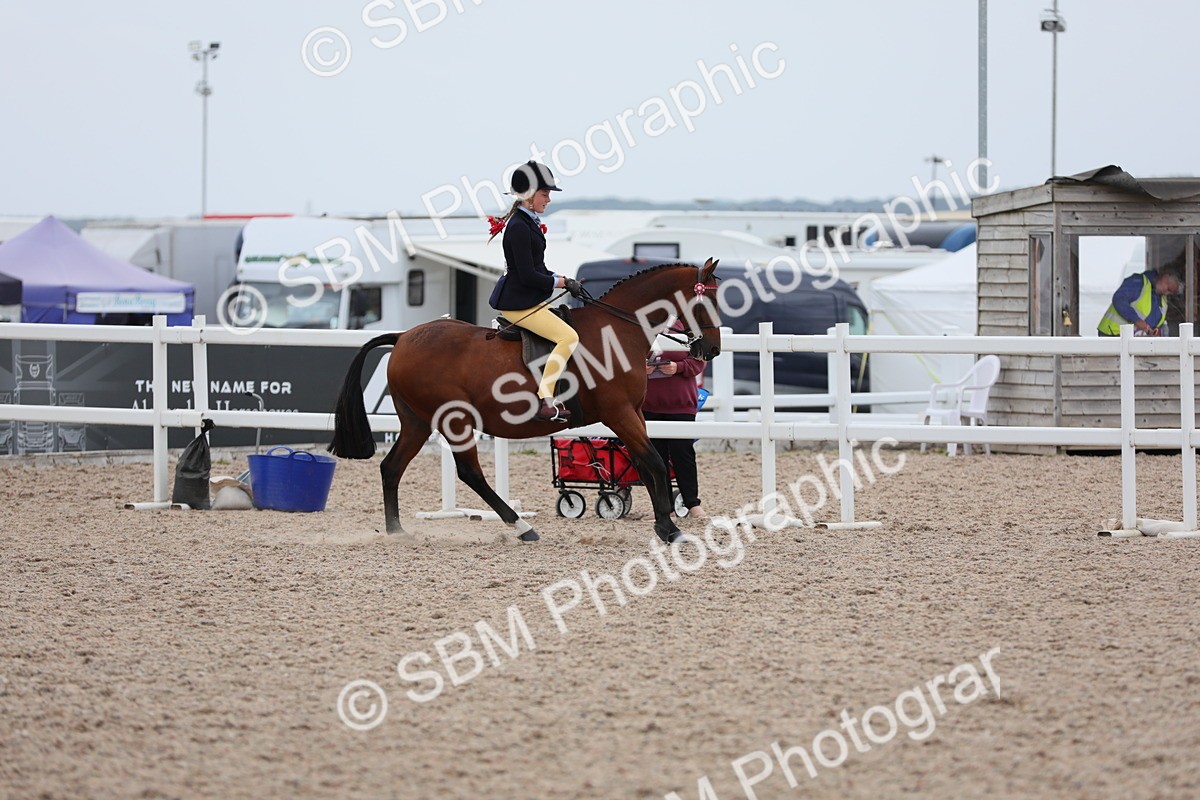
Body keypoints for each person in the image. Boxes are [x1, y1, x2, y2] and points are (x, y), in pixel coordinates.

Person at [487, 161, 583, 421]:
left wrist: (560, 277)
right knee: (568, 338)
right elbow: (528, 275)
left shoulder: (527, 222)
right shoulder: (518, 226)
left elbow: (537, 267)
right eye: (545, 194)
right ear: (529, 195)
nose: (548, 199)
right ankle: (546, 400)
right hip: (519, 303)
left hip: (527, 298)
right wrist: (560, 283)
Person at [644, 321, 707, 519]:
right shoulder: (643, 321)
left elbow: (699, 360)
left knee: (683, 453)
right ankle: (663, 508)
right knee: (655, 458)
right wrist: (640, 366)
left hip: (681, 403)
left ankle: (692, 503)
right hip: (649, 403)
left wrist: (678, 367)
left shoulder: (688, 325)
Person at [1098, 266, 1181, 336]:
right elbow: (1119, 299)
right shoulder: (1138, 282)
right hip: (1112, 334)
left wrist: (1155, 331)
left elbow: (1157, 324)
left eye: (1170, 293)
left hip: (1134, 341)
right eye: (1168, 289)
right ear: (1165, 277)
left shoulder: (1162, 301)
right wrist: (1136, 320)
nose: (1166, 293)